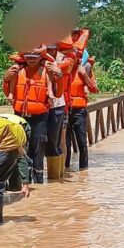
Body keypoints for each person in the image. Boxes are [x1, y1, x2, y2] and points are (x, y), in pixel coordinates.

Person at [2, 50, 63, 184]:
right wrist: (5, 79)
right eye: (29, 57)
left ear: (40, 57)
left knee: (39, 148)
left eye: (34, 57)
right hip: (20, 117)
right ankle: (24, 182)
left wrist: (59, 75)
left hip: (40, 117)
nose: (31, 60)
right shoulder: (17, 72)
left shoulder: (47, 72)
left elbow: (58, 93)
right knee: (21, 149)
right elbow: (7, 92)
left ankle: (39, 183)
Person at [45, 43, 72, 180]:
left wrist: (56, 68)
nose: (50, 51)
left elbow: (66, 66)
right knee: (41, 142)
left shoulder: (66, 61)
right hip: (43, 107)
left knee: (57, 141)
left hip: (59, 106)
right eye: (48, 49)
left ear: (57, 49)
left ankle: (57, 176)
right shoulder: (38, 60)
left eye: (52, 49)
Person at [66, 57, 98, 171]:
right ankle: (65, 169)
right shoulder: (63, 69)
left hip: (79, 110)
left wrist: (84, 75)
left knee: (81, 141)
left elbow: (94, 89)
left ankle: (83, 170)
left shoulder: (84, 70)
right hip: (65, 109)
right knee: (66, 143)